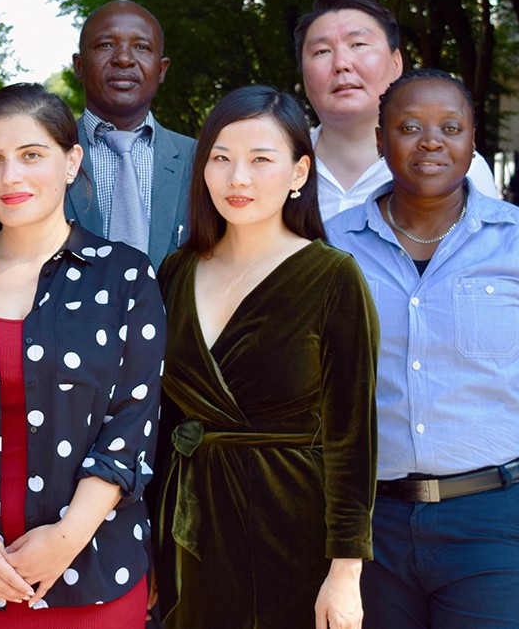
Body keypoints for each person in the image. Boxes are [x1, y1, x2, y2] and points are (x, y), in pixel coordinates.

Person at [325, 69, 519, 629]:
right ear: (380, 140)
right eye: (409, 127)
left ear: (474, 142)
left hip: (498, 525)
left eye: (451, 127)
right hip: (367, 526)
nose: (431, 141)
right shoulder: (330, 246)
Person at [0, 83, 166, 628]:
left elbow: (133, 423)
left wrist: (65, 540)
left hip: (92, 569)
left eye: (32, 156)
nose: (11, 177)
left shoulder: (125, 275)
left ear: (72, 161)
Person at [156, 85, 378, 629]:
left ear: (300, 172)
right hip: (191, 525)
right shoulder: (175, 272)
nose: (238, 179)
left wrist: (345, 572)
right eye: (222, 159)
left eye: (261, 160)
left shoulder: (332, 276)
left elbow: (354, 437)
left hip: (295, 528)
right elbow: (160, 423)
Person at [294, 0, 499, 220]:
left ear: (396, 62)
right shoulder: (279, 167)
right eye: (322, 51)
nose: (341, 64)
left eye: (358, 44)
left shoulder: (458, 169)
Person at [68, 0, 196, 267]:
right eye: (106, 45)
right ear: (79, 65)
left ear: (161, 70)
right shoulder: (46, 154)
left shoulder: (200, 158)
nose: (124, 59)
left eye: (141, 47)